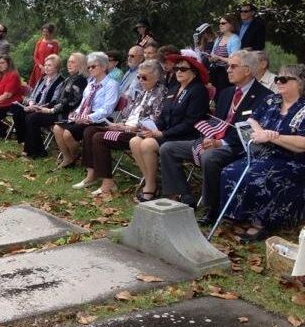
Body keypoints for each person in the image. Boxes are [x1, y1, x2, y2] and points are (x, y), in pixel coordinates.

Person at [159, 50, 271, 218]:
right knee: (168, 148)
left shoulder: (265, 96)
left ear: (247, 70)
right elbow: (217, 123)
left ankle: (212, 208)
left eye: (233, 66)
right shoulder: (226, 93)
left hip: (238, 147)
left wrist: (220, 143)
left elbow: (250, 134)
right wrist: (210, 138)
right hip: (215, 141)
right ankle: (184, 196)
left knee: (209, 157)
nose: (228, 70)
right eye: (227, 66)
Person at [220, 64, 305, 242]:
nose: (278, 82)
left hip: (292, 160)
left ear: (299, 82)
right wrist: (260, 131)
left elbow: (302, 144)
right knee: (230, 170)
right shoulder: (271, 100)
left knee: (258, 176)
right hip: (263, 153)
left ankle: (260, 224)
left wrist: (273, 137)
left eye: (283, 79)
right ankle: (240, 217)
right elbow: (251, 119)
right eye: (277, 79)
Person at [74, 60, 168, 196]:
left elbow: (155, 119)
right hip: (126, 127)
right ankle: (91, 175)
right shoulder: (142, 91)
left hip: (138, 132)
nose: (140, 80)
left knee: (99, 137)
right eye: (138, 77)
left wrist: (130, 127)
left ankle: (108, 183)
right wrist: (120, 124)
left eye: (144, 77)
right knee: (90, 130)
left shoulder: (161, 93)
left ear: (157, 77)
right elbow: (129, 113)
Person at [129, 50, 210, 201]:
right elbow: (164, 116)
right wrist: (152, 128)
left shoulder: (198, 91)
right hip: (167, 132)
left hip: (186, 136)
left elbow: (190, 123)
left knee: (147, 144)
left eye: (183, 69)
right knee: (134, 141)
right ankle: (150, 183)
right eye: (176, 69)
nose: (178, 72)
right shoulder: (174, 89)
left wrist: (162, 134)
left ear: (194, 72)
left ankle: (151, 188)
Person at [51, 52, 119, 168]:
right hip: (84, 115)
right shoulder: (90, 84)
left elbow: (107, 109)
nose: (90, 69)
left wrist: (88, 117)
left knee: (68, 134)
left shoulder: (112, 85)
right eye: (88, 67)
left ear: (103, 67)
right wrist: (76, 114)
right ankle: (68, 158)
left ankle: (76, 156)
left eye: (93, 66)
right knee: (57, 128)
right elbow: (83, 103)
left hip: (100, 119)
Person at [21, 53, 88, 158]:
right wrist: (44, 107)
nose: (69, 64)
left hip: (66, 115)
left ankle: (37, 151)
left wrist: (50, 110)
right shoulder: (70, 79)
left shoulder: (80, 80)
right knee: (30, 115)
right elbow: (57, 100)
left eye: (72, 62)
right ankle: (35, 150)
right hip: (58, 111)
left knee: (32, 118)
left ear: (81, 64)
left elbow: (71, 103)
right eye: (68, 62)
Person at [209, 14, 241, 98]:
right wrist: (211, 58)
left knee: (223, 96)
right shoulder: (218, 39)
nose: (220, 25)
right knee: (215, 96)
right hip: (214, 72)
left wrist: (219, 58)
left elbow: (234, 59)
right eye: (219, 23)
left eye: (223, 23)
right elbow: (213, 53)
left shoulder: (235, 39)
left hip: (225, 73)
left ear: (231, 24)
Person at [28, 23, 60, 87]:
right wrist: (40, 66)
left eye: (47, 32)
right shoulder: (39, 42)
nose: (45, 33)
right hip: (38, 68)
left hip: (49, 69)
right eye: (43, 31)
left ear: (51, 33)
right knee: (35, 86)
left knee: (45, 86)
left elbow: (54, 58)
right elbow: (35, 56)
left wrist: (46, 67)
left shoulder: (55, 44)